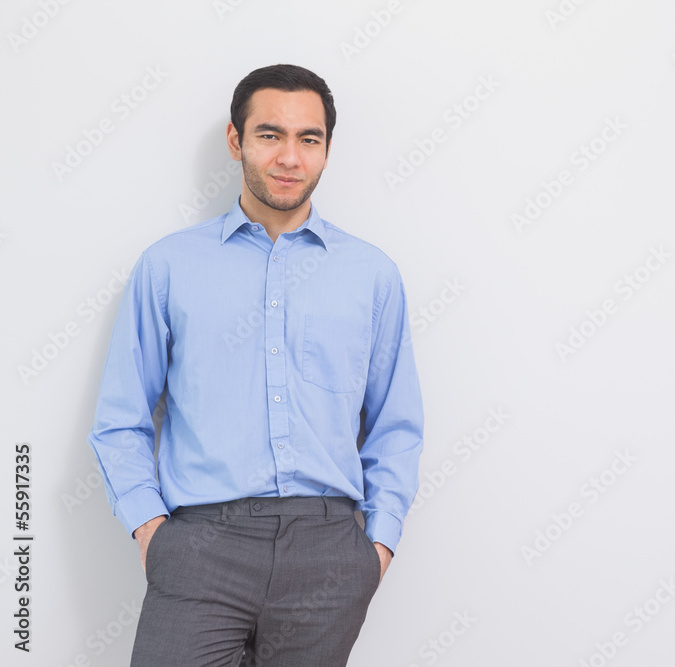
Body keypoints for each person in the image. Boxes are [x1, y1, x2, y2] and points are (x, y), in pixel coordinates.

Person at [86, 63, 424, 666]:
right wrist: (151, 532)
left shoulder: (372, 275)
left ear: (326, 150)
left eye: (309, 139)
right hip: (199, 546)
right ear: (235, 140)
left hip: (329, 550)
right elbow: (121, 417)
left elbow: (395, 425)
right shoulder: (169, 266)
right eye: (270, 135)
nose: (290, 157)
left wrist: (378, 545)